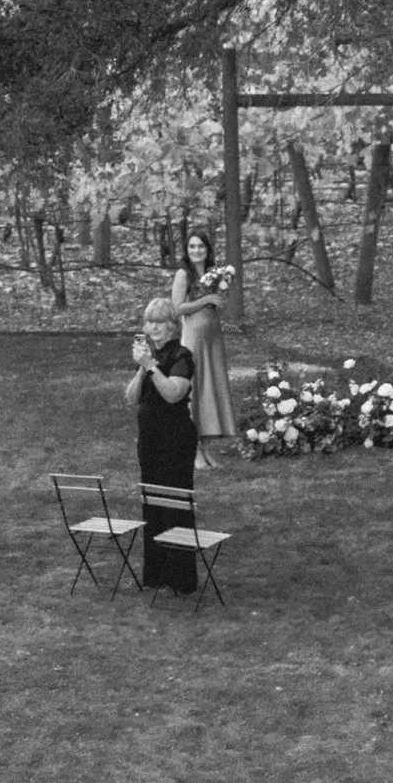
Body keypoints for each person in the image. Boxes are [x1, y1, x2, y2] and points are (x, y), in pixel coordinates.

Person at [128, 305, 199, 593]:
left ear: (172, 325)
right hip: (150, 439)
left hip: (175, 438)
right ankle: (156, 574)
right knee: (152, 502)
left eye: (159, 322)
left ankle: (180, 578)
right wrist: (141, 367)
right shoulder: (150, 357)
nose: (153, 327)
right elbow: (132, 398)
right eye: (149, 322)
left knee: (174, 501)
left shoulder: (181, 356)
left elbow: (173, 394)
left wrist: (151, 368)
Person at [171, 222, 244, 453]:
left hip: (213, 334)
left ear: (207, 248)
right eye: (192, 246)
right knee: (196, 382)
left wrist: (220, 296)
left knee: (213, 381)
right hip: (194, 336)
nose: (196, 251)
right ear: (186, 249)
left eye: (200, 246)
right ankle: (191, 439)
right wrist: (206, 300)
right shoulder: (183, 274)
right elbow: (177, 308)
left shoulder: (214, 272)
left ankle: (210, 435)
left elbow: (218, 300)